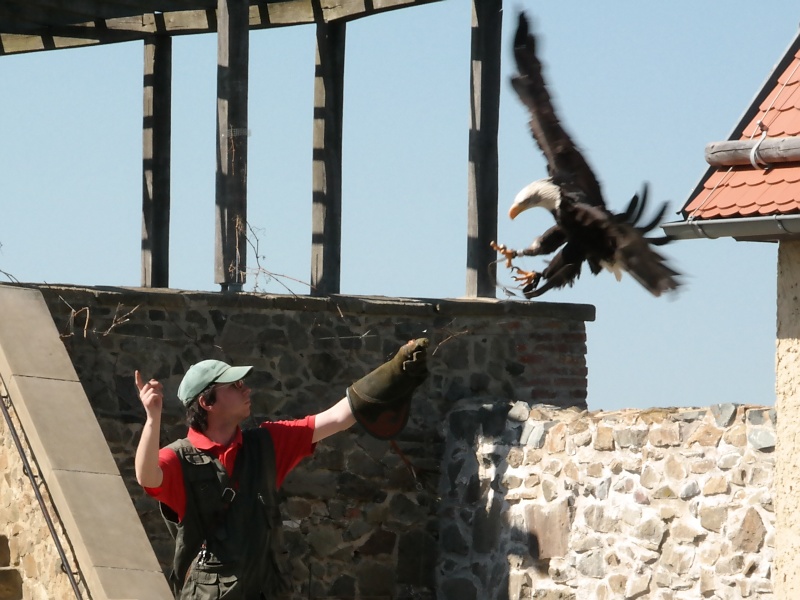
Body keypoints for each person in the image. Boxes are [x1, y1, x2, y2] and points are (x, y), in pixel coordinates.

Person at [134, 338, 429, 600]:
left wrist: (393, 375)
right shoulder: (179, 458)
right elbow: (147, 477)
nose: (245, 388)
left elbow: (337, 418)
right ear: (206, 402)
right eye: (234, 385)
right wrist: (152, 419)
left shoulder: (266, 443)